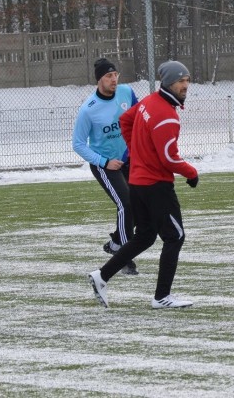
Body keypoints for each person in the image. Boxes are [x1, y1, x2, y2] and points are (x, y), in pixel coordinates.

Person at [88, 60, 199, 310]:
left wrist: (137, 155)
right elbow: (169, 158)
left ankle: (101, 276)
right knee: (175, 237)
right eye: (181, 81)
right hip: (155, 186)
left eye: (187, 80)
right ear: (169, 83)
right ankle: (162, 297)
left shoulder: (149, 102)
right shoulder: (166, 116)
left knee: (146, 237)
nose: (185, 85)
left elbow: (126, 121)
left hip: (138, 182)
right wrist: (192, 173)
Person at [73, 58, 140, 274]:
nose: (113, 79)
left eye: (115, 75)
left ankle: (115, 244)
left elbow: (139, 116)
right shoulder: (88, 110)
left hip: (128, 159)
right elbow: (78, 144)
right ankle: (124, 260)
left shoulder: (126, 93)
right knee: (126, 204)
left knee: (140, 207)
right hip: (105, 165)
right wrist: (104, 162)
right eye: (108, 76)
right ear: (99, 80)